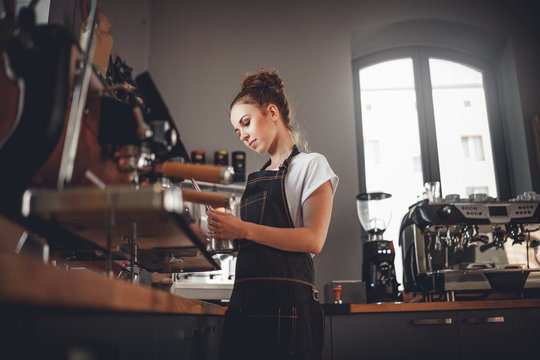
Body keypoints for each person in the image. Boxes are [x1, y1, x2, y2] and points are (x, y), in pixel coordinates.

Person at [206, 69, 339, 359]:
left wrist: (242, 229)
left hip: (288, 316)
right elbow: (250, 242)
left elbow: (313, 240)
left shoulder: (311, 165)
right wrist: (220, 229)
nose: (243, 135)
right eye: (237, 131)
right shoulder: (256, 178)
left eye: (246, 123)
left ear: (272, 112)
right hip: (244, 311)